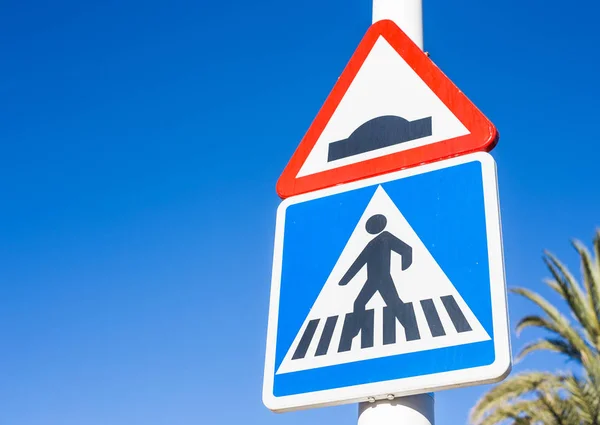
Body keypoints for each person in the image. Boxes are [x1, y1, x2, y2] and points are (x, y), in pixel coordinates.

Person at [339, 214, 413, 313]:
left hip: (383, 278)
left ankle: (410, 326)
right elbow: (359, 262)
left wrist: (404, 265)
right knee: (359, 304)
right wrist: (345, 280)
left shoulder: (386, 236)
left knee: (394, 303)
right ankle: (357, 327)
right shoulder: (371, 244)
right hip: (372, 280)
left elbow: (406, 249)